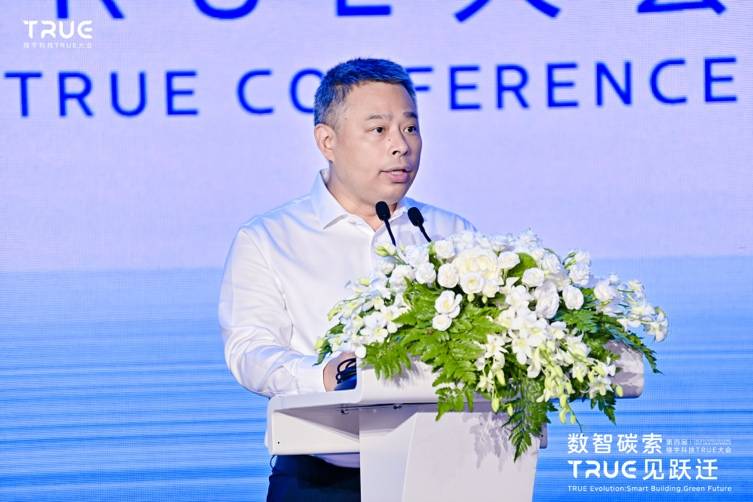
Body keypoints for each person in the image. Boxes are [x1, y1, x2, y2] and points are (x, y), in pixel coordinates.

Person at [218, 57, 476, 501]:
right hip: (320, 479)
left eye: (410, 128)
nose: (401, 146)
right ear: (327, 141)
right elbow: (249, 350)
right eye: (378, 129)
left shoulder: (450, 233)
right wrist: (322, 376)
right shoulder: (269, 238)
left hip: (444, 470)